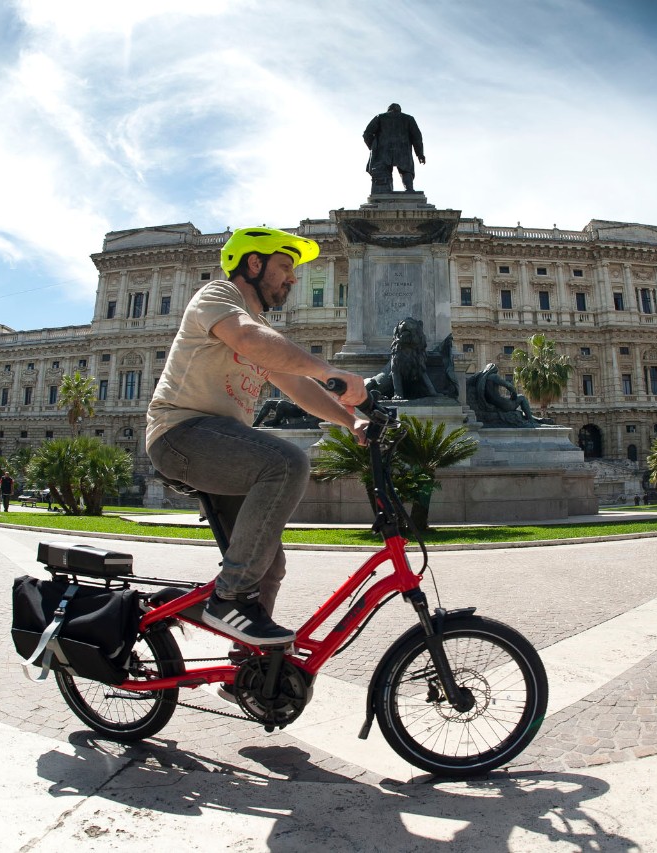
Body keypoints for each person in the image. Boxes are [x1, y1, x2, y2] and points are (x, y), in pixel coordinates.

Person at [146, 227, 369, 646]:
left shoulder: (260, 328)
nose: (293, 278)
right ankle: (229, 598)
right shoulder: (217, 296)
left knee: (268, 565)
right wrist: (328, 370)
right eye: (285, 266)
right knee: (286, 463)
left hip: (221, 446)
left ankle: (252, 664)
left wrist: (350, 421)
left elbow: (298, 387)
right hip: (180, 434)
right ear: (254, 263)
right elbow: (248, 339)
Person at [363, 103, 425, 193]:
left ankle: (385, 191)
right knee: (406, 170)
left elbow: (367, 134)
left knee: (384, 171)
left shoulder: (380, 117)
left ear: (388, 110)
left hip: (383, 150)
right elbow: (417, 137)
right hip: (403, 150)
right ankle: (409, 189)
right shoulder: (409, 119)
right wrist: (420, 154)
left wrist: (374, 147)